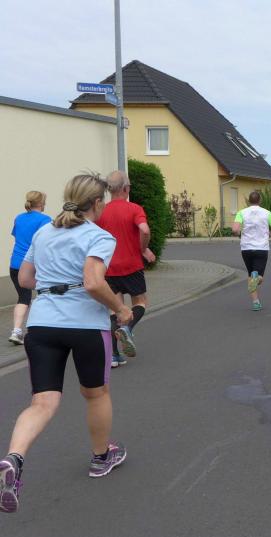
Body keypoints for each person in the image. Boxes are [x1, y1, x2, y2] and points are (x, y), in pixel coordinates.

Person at [0, 174, 133, 515]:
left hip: (42, 324)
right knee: (96, 393)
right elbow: (93, 282)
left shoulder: (44, 232)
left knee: (42, 402)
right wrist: (120, 309)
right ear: (98, 203)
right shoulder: (98, 235)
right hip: (85, 326)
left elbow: (26, 278)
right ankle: (101, 457)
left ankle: (14, 458)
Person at [95, 170, 156, 368]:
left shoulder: (101, 211)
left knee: (116, 309)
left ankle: (114, 356)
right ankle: (128, 328)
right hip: (131, 265)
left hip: (108, 268)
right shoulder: (134, 209)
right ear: (125, 188)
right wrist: (144, 249)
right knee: (140, 302)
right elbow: (144, 229)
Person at [8, 191, 51, 345]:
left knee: (23, 298)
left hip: (15, 264)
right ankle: (43, 330)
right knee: (46, 295)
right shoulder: (45, 220)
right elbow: (47, 243)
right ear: (40, 203)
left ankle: (16, 331)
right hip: (33, 264)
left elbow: (18, 237)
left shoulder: (19, 218)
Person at [231, 191, 271, 311]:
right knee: (258, 276)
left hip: (246, 248)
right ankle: (257, 279)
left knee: (250, 274)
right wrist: (269, 235)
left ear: (249, 201)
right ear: (260, 200)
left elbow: (235, 229)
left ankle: (256, 302)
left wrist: (239, 234)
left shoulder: (241, 212)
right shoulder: (267, 213)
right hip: (261, 248)